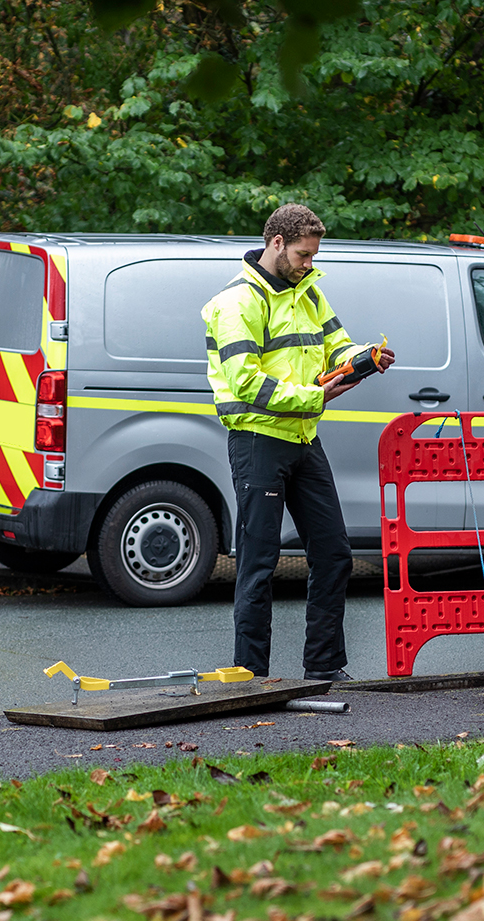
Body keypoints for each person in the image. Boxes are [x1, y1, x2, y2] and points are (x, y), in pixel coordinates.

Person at [200, 204, 394, 681]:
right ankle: (249, 675)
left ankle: (324, 667)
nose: (309, 264)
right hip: (258, 440)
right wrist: (316, 394)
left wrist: (363, 358)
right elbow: (245, 383)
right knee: (258, 563)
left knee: (334, 554)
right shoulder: (236, 303)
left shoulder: (308, 294)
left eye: (314, 256)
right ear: (277, 243)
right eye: (304, 255)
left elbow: (337, 343)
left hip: (303, 436)